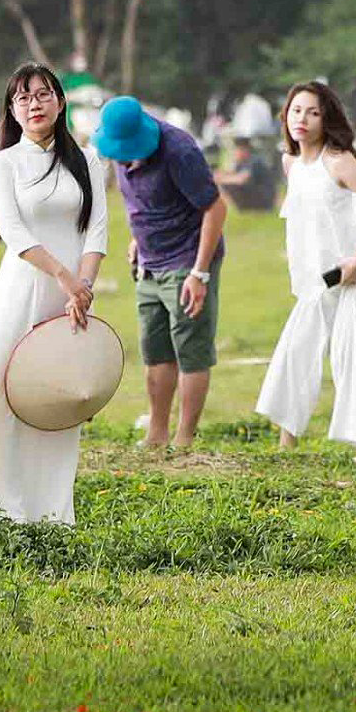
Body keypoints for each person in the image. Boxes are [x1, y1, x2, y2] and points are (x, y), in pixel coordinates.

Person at [0, 64, 109, 529]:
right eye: (23, 98)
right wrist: (65, 277)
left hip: (71, 298)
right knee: (3, 389)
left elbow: (97, 231)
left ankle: (48, 510)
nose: (34, 104)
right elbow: (15, 233)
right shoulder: (4, 164)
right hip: (25, 287)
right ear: (12, 111)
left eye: (42, 95)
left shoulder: (87, 161)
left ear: (60, 102)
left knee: (58, 394)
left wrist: (84, 287)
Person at [255, 82, 356, 462]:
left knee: (354, 357)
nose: (302, 119)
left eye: (313, 112)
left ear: (327, 118)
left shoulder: (339, 161)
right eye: (296, 110)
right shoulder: (291, 164)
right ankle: (286, 440)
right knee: (296, 347)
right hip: (318, 279)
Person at [94, 94, 229, 450]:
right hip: (149, 264)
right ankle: (157, 433)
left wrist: (199, 273)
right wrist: (139, 241)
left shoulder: (179, 151)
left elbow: (215, 209)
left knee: (190, 350)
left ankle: (184, 438)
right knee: (155, 350)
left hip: (188, 261)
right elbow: (142, 204)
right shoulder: (119, 155)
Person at [212, 132, 277, 212]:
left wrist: (221, 180)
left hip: (263, 200)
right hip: (256, 196)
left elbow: (242, 179)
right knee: (226, 183)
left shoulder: (254, 161)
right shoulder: (241, 162)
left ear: (244, 150)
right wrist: (218, 175)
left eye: (236, 150)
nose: (234, 153)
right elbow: (231, 173)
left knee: (228, 184)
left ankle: (242, 206)